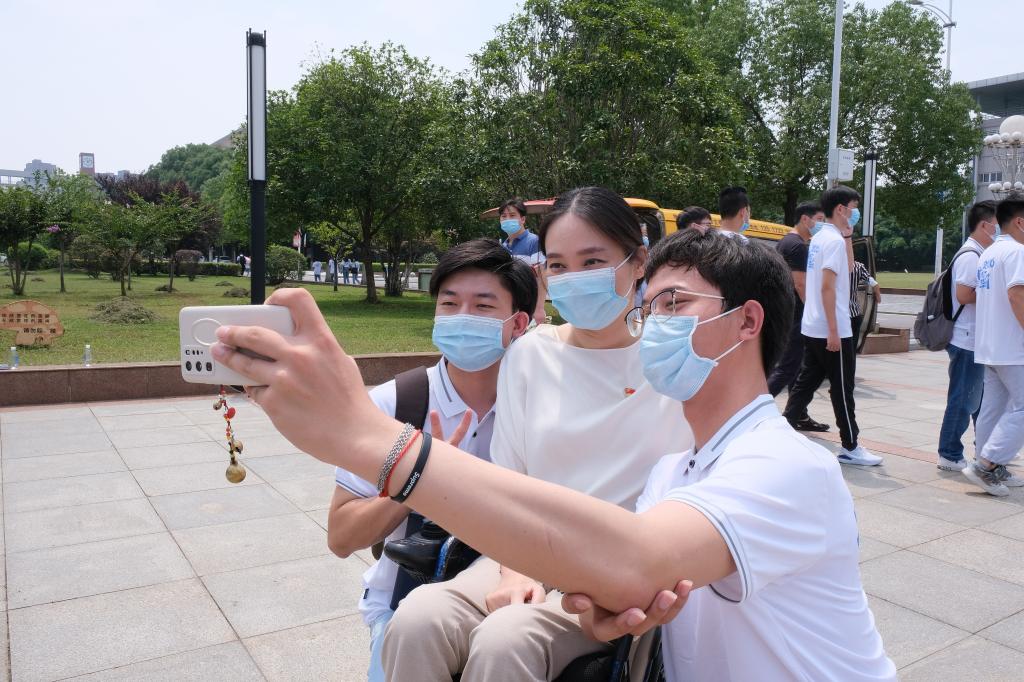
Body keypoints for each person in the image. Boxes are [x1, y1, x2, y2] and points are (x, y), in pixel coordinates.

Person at [212, 226, 896, 682]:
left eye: (674, 302)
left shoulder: (785, 466)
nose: (654, 325)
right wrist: (607, 604)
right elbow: (630, 579)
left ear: (746, 320)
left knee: (506, 642)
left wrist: (371, 439)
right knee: (421, 621)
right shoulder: (676, 471)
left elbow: (637, 558)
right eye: (651, 309)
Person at [383, 187, 693, 681]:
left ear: (638, 262)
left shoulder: (670, 361)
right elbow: (509, 481)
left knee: (507, 641)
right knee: (417, 619)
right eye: (560, 265)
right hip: (522, 549)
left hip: (614, 571)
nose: (575, 277)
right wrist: (515, 567)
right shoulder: (531, 354)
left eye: (593, 261)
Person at [326, 239, 536, 681]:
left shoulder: (539, 406)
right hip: (405, 607)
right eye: (449, 303)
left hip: (516, 604)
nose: (462, 316)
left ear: (518, 323)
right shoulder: (395, 404)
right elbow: (342, 536)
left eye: (483, 306)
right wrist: (419, 477)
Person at [783, 186, 881, 466]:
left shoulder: (821, 239)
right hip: (831, 328)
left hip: (815, 325)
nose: (855, 212)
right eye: (854, 207)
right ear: (841, 209)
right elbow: (828, 288)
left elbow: (847, 270)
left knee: (806, 384)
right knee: (842, 388)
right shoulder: (832, 242)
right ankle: (850, 446)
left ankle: (782, 430)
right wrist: (835, 332)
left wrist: (848, 236)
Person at [962, 193, 1024, 496]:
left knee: (993, 409)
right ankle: (986, 465)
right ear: (1020, 222)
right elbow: (1017, 295)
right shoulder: (1017, 252)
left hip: (991, 345)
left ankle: (987, 464)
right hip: (1013, 346)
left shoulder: (989, 253)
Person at [937, 201, 997, 471]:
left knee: (978, 402)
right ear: (985, 225)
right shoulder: (971, 256)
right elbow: (963, 295)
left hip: (974, 340)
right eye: (998, 225)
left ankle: (985, 450)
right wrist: (995, 293)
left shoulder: (979, 253)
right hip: (966, 339)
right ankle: (949, 454)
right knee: (963, 400)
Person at [767, 202, 827, 417]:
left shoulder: (787, 242)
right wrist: (814, 312)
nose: (822, 225)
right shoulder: (797, 246)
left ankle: (798, 413)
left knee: (796, 367)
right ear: (805, 219)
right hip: (796, 315)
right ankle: (752, 408)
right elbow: (800, 284)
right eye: (819, 220)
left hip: (789, 312)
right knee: (788, 367)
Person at [499, 198, 549, 325]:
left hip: (529, 305)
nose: (507, 219)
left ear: (522, 219)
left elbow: (542, 276)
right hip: (510, 305)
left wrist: (539, 308)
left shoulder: (533, 242)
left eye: (512, 215)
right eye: (503, 216)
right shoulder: (503, 247)